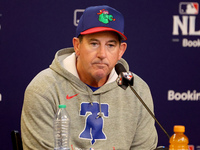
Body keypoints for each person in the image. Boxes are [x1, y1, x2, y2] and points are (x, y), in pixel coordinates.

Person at [21, 5, 158, 150]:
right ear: (77, 46)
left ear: (121, 50)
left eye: (110, 45)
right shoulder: (44, 88)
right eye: (94, 43)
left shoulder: (137, 90)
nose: (102, 54)